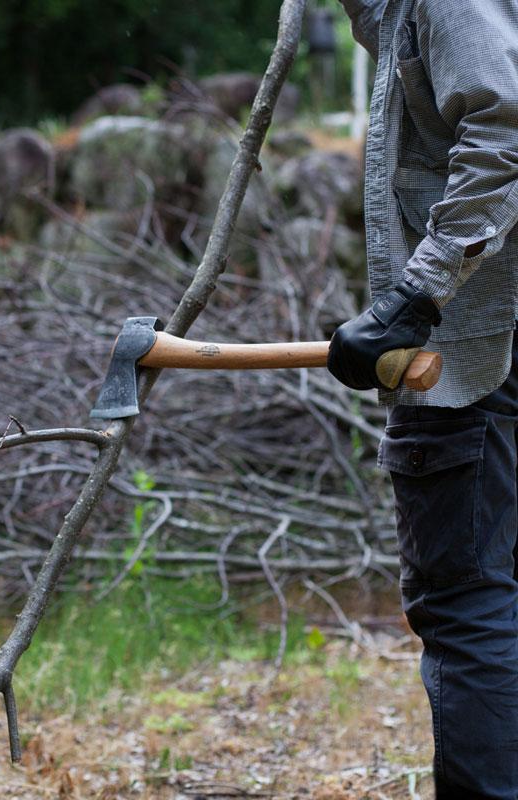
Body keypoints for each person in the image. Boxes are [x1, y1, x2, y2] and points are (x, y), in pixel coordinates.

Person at [329, 1, 518, 798]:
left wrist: (416, 296)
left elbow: (505, 128)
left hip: (471, 348)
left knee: (467, 603)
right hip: (484, 334)